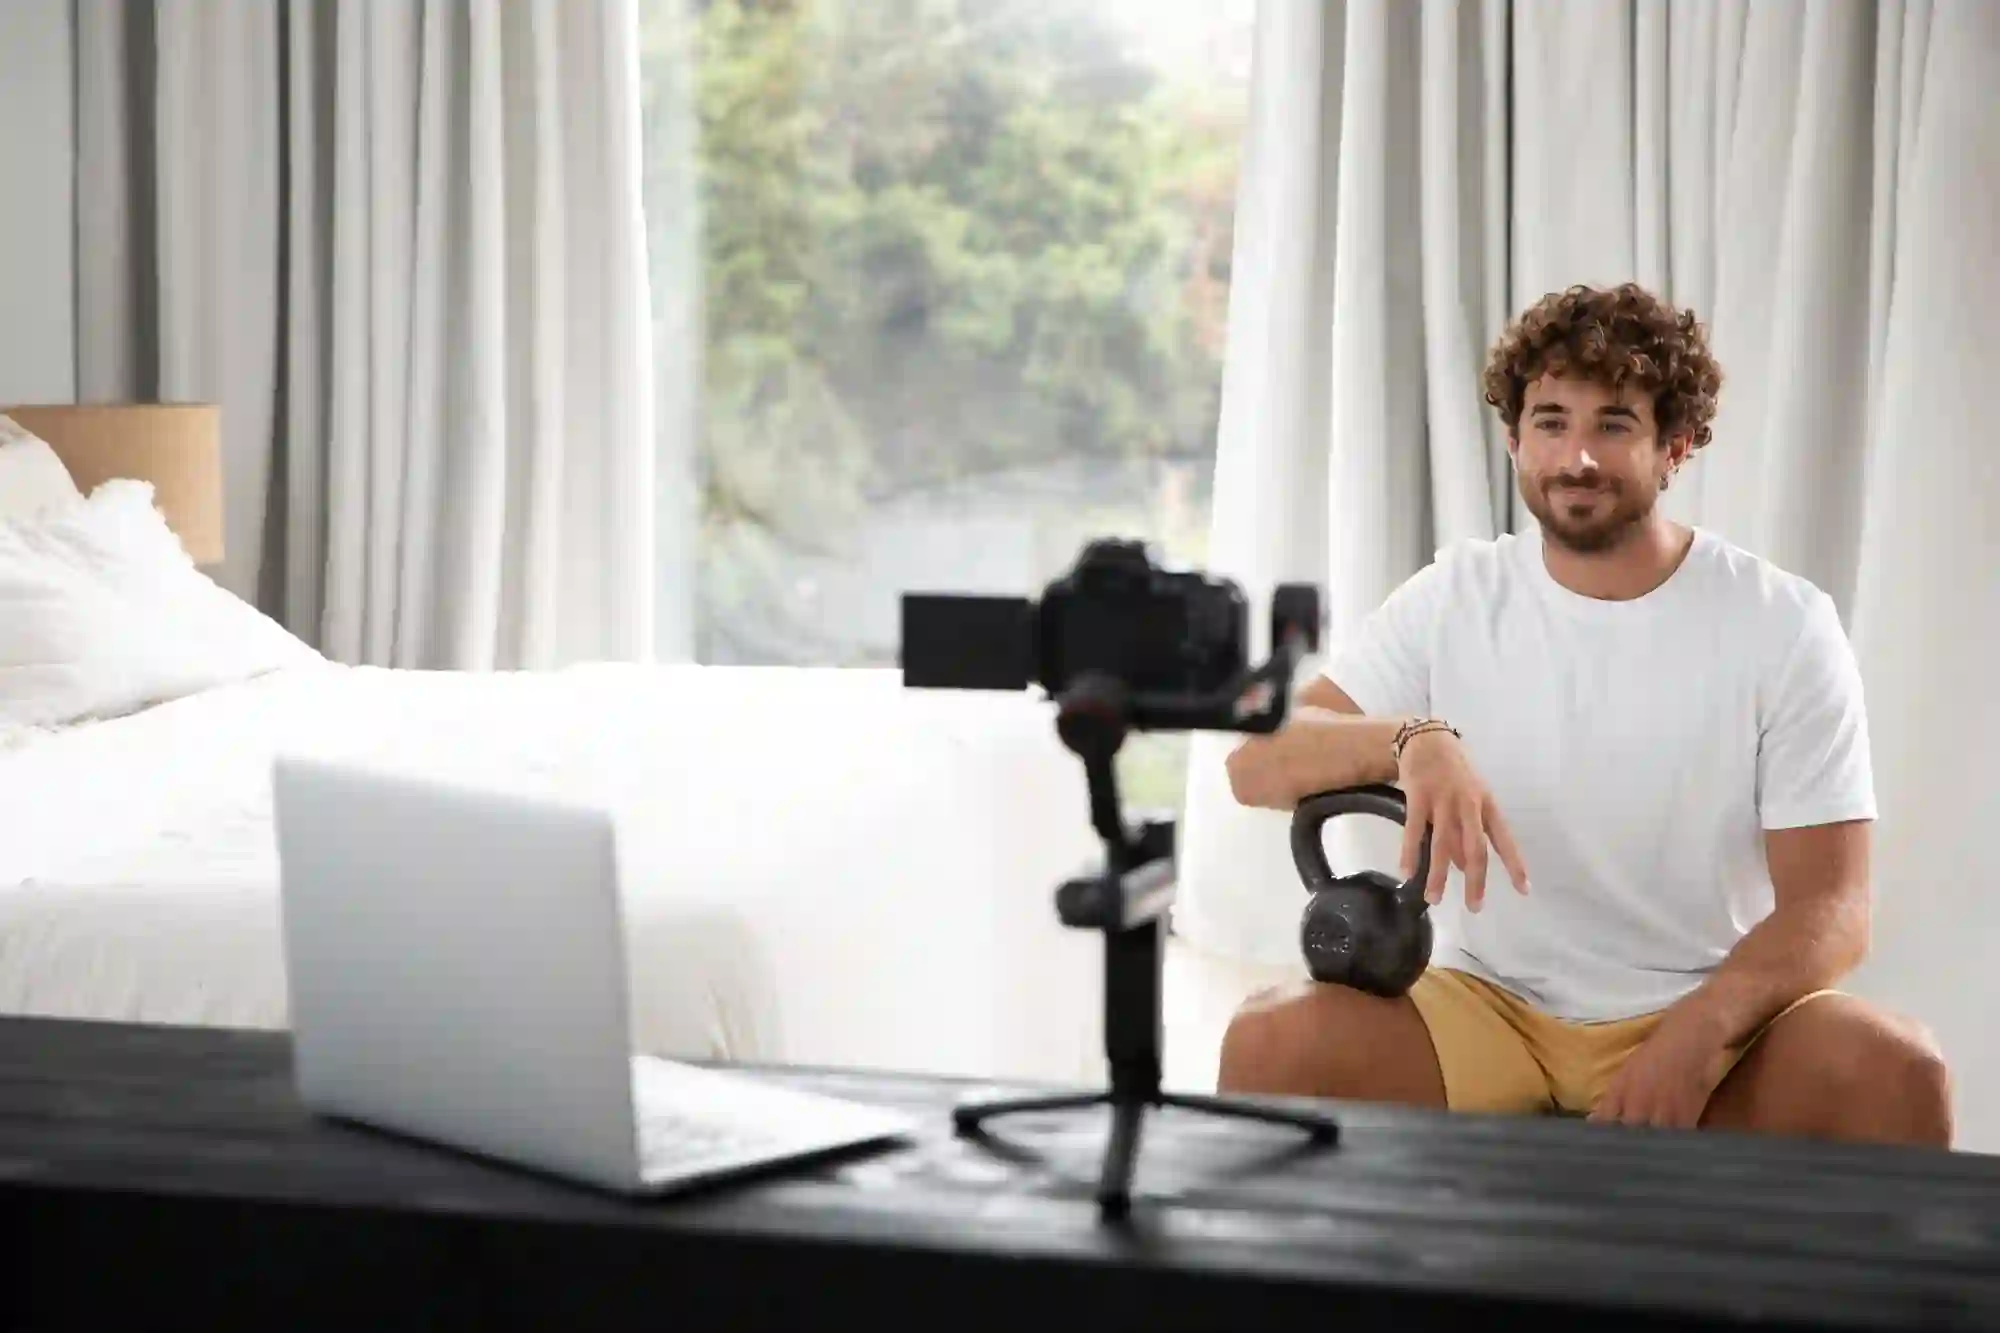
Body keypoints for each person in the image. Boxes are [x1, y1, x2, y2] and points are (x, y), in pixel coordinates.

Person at [1216, 282, 1953, 1147]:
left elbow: (1833, 903)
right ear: (1513, 437)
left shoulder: (1782, 621)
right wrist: (1410, 739)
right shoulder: (1457, 594)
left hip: (1699, 1003)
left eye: (1614, 424)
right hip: (1487, 1007)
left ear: (1675, 445)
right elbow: (1255, 763)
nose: (1578, 458)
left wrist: (1700, 1032)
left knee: (1899, 1071)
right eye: (1552, 421)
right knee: (1269, 1038)